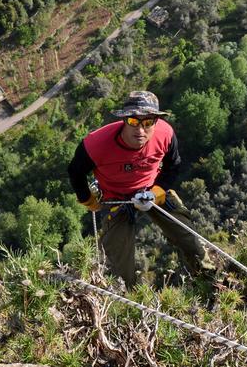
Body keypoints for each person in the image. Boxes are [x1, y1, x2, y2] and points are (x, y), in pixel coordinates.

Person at [68, 91, 211, 287]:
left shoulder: (165, 134)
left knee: (189, 238)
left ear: (155, 122)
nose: (141, 130)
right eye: (134, 121)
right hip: (116, 199)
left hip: (152, 191)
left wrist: (156, 192)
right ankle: (129, 301)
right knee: (120, 266)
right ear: (124, 120)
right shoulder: (96, 144)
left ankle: (209, 279)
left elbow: (173, 165)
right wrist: (88, 200)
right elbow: (75, 171)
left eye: (148, 122)